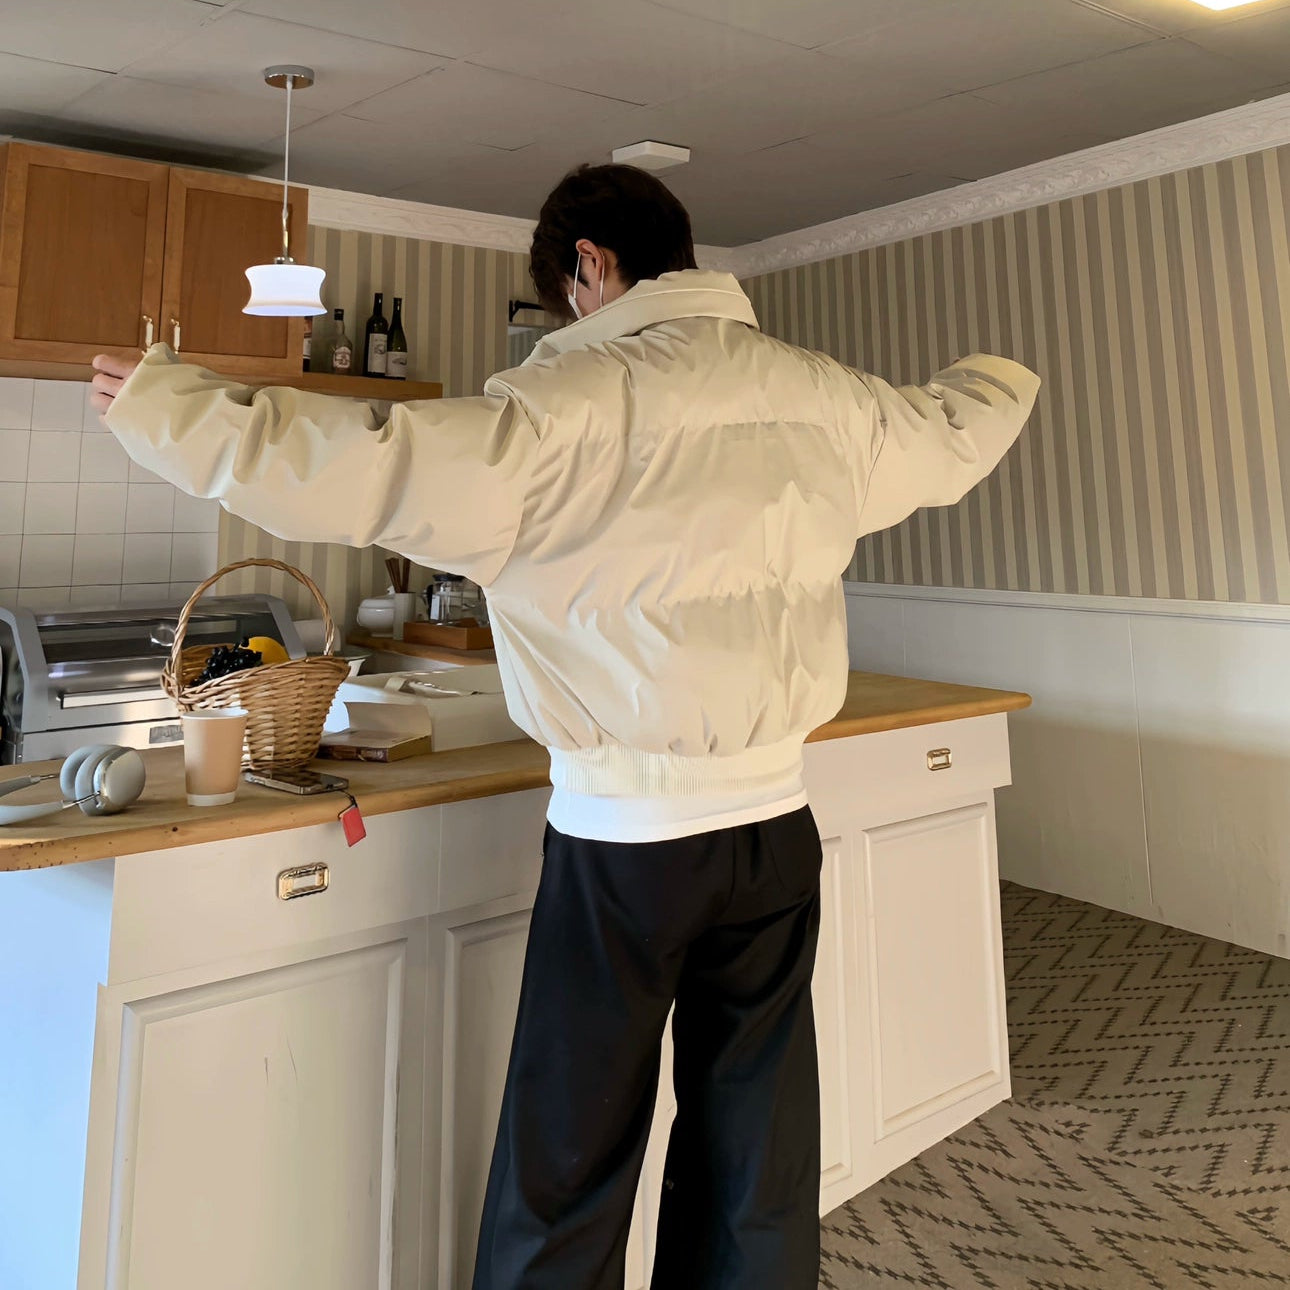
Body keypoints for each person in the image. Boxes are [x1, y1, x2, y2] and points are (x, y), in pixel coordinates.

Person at [92, 162, 1040, 1290]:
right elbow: (953, 428)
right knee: (759, 1142)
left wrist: (164, 408)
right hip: (777, 829)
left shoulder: (557, 410)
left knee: (569, 1158)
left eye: (564, 295)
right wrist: (1000, 374)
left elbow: (362, 463)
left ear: (591, 263)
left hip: (627, 845)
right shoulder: (821, 396)